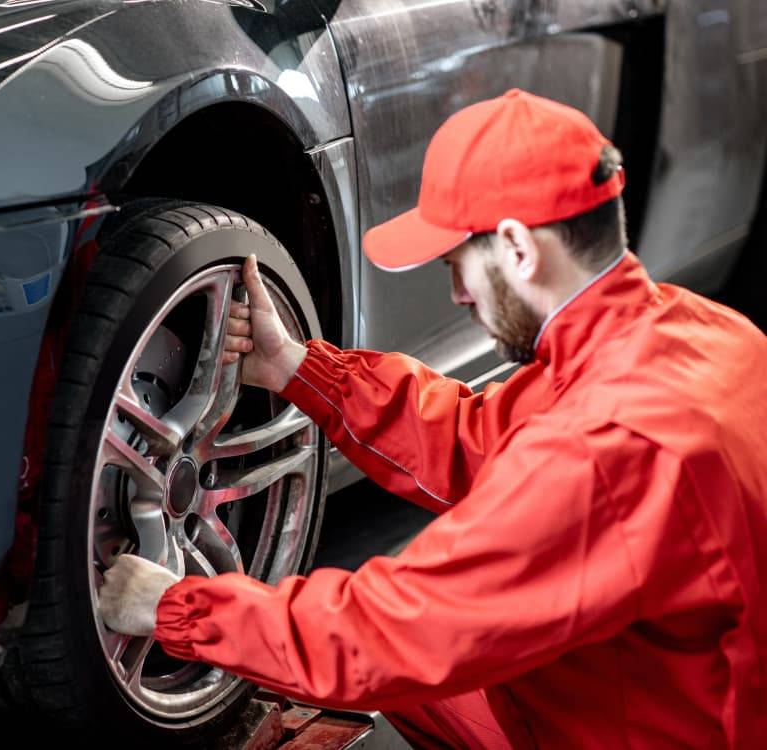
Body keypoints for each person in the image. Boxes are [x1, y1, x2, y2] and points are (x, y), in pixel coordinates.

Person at [97, 89, 767, 748]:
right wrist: (298, 368)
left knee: (399, 656)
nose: (456, 294)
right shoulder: (695, 332)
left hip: (673, 724)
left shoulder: (609, 447)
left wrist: (178, 609)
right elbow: (484, 440)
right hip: (674, 680)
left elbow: (391, 635)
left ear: (517, 248)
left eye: (457, 265)